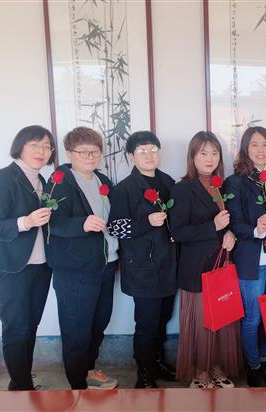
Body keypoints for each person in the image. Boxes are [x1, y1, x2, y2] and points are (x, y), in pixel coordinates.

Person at [45, 126, 119, 390]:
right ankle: (77, 386)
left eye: (95, 151)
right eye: (83, 151)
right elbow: (50, 222)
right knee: (76, 328)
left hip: (106, 264)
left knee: (99, 322)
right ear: (69, 153)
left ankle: (88, 370)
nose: (90, 156)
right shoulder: (59, 181)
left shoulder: (103, 180)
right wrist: (82, 224)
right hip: (75, 268)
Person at [0, 125, 56, 390]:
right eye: (34, 144)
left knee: (31, 324)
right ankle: (21, 387)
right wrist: (26, 221)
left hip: (41, 266)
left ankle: (22, 379)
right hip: (12, 266)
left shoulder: (44, 181)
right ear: (20, 147)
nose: (41, 151)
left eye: (47, 146)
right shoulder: (1, 178)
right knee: (16, 327)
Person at [169, 131, 244, 388]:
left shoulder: (222, 185)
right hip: (197, 268)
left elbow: (229, 222)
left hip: (222, 264)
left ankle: (217, 367)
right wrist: (213, 226)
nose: (209, 158)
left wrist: (230, 233)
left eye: (214, 153)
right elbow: (177, 232)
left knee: (222, 318)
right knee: (202, 323)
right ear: (192, 156)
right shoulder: (182, 188)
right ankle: (200, 372)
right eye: (203, 153)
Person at [107, 131, 177, 388]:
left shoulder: (168, 182)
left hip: (169, 263)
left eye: (153, 150)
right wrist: (146, 222)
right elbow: (115, 227)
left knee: (164, 318)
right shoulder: (124, 189)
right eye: (142, 151)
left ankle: (157, 362)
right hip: (143, 267)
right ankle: (144, 372)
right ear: (131, 156)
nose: (149, 155)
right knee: (146, 323)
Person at [224, 126, 266, 387]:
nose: (260, 150)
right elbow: (235, 223)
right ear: (245, 149)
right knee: (253, 318)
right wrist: (256, 229)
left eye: (265, 144)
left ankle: (264, 362)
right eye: (254, 145)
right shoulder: (235, 182)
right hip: (250, 261)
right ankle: (253, 367)